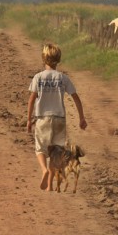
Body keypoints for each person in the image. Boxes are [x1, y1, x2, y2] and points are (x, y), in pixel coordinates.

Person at [27, 42, 88, 191]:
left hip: (43, 119)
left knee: (41, 149)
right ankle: (50, 185)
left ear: (43, 59)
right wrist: (81, 118)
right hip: (60, 119)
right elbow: (76, 97)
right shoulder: (63, 78)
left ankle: (44, 170)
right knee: (56, 153)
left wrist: (29, 120)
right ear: (58, 59)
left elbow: (32, 99)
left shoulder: (38, 77)